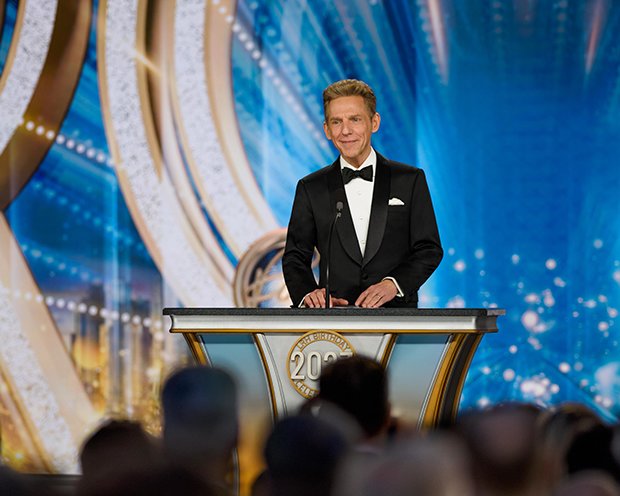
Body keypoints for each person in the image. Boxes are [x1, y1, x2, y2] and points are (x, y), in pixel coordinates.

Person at [283, 79, 443, 308]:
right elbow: (295, 256)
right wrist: (308, 294)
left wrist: (393, 285)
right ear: (327, 130)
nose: (345, 131)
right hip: (333, 319)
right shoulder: (311, 187)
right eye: (336, 122)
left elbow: (429, 249)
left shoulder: (409, 180)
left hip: (398, 317)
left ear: (374, 122)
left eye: (355, 119)